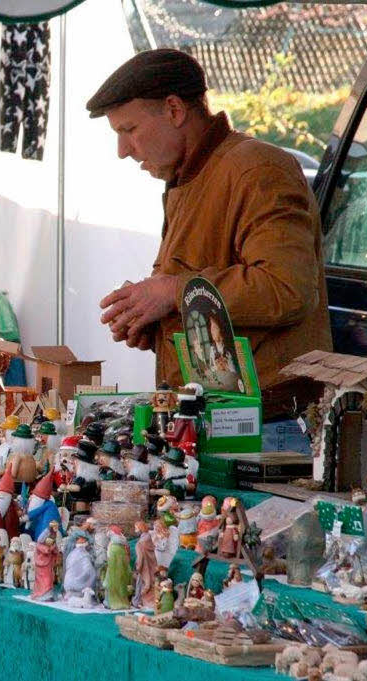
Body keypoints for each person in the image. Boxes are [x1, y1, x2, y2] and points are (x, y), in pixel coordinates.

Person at [91, 49, 332, 419]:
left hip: (269, 423)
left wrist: (172, 292)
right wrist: (156, 321)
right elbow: (205, 299)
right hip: (214, 415)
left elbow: (287, 288)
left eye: (129, 130)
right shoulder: (188, 177)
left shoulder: (258, 168)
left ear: (174, 110)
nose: (123, 150)